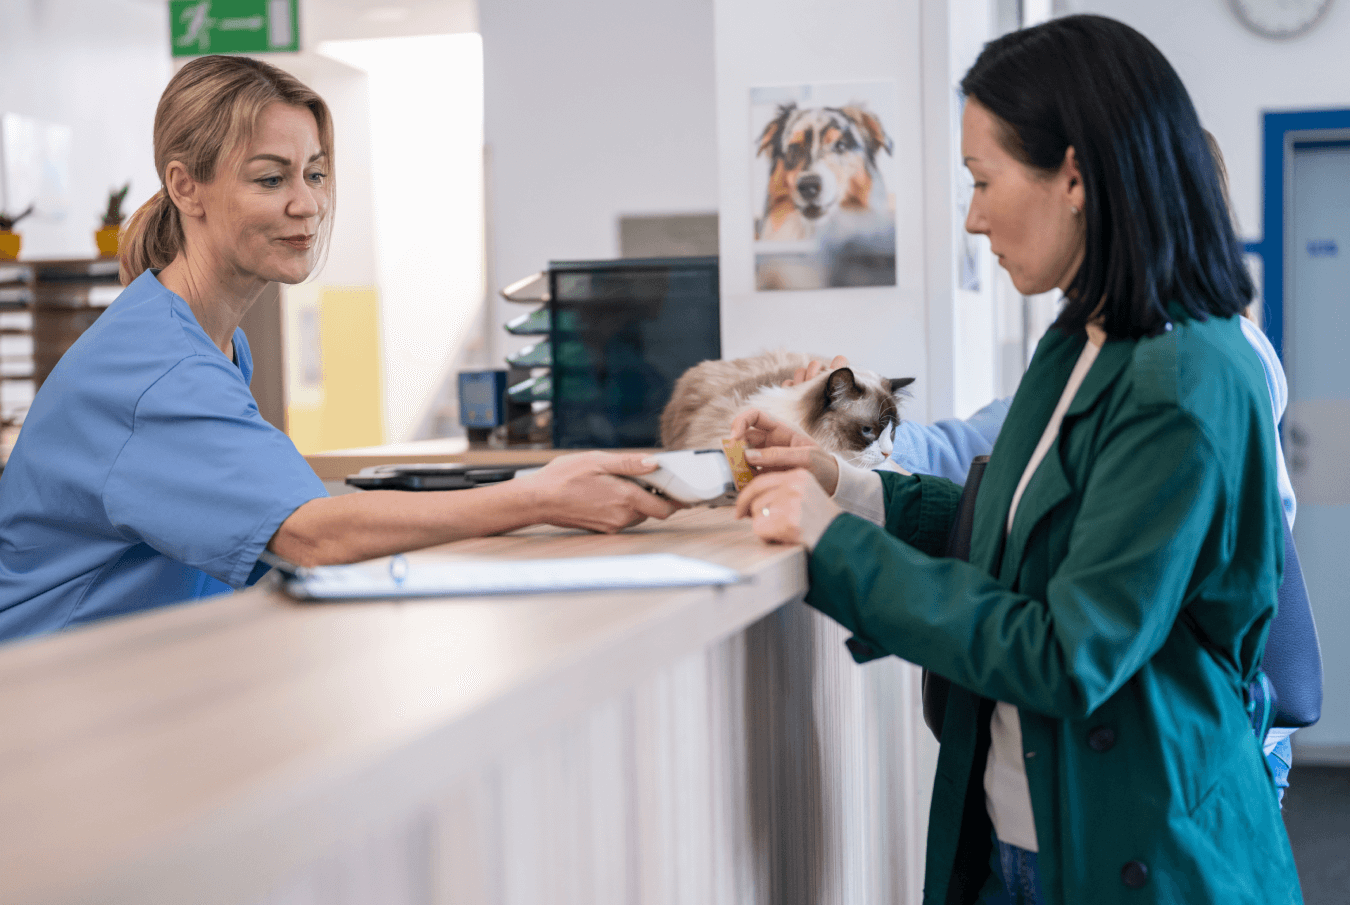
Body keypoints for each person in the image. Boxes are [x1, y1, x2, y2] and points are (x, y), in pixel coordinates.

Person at [731, 15, 1301, 904]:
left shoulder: (1187, 379)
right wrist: (841, 485)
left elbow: (1069, 649)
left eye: (983, 180)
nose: (971, 215)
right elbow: (995, 534)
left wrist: (834, 546)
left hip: (1138, 854)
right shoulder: (1081, 341)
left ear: (1073, 175)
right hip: (1023, 835)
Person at [0, 56, 678, 645]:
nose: (308, 205)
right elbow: (313, 535)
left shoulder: (213, 344)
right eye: (271, 180)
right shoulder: (155, 367)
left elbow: (276, 528)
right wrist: (536, 497)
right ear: (185, 187)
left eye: (315, 174)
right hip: (46, 699)